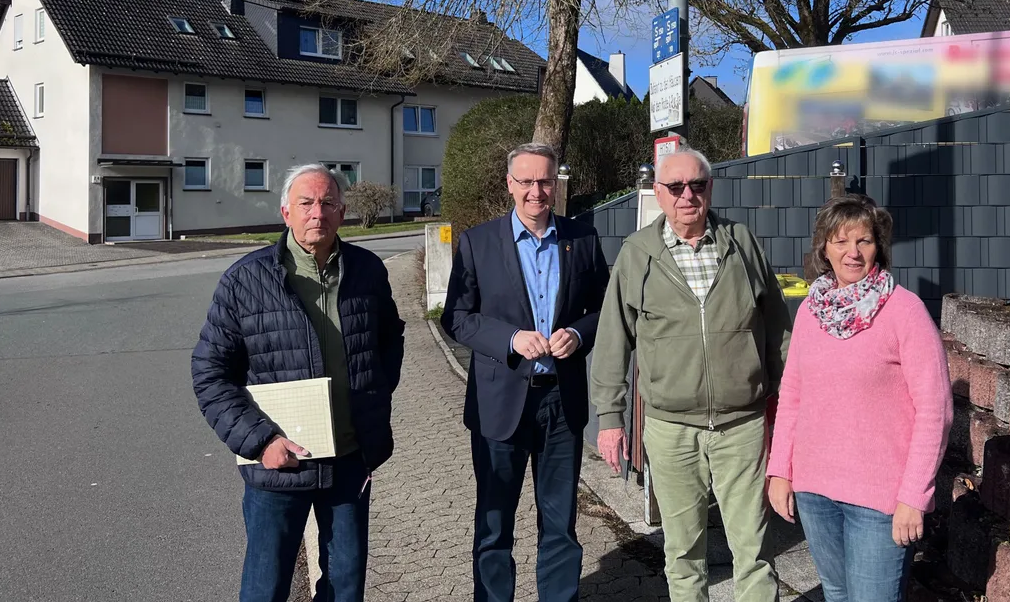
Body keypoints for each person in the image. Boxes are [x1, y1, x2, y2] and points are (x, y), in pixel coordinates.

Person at [192, 163, 405, 602]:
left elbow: (390, 340)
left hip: (349, 460)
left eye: (328, 203)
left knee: (345, 584)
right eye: (306, 203)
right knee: (265, 588)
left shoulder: (367, 270)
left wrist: (373, 401)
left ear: (342, 212)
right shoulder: (246, 280)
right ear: (285, 212)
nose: (317, 213)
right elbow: (210, 373)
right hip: (277, 464)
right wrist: (260, 441)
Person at [591, 146, 790, 602]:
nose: (687, 196)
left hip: (743, 425)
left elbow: (778, 327)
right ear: (658, 193)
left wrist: (785, 402)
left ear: (710, 189)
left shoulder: (741, 242)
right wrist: (609, 418)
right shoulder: (637, 254)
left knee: (755, 550)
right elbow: (612, 340)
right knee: (682, 554)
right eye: (675, 187)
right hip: (670, 428)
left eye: (696, 186)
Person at [441, 143, 611, 602]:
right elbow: (456, 317)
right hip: (500, 406)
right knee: (494, 524)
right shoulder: (478, 242)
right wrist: (510, 340)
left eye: (545, 181)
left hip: (561, 400)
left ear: (556, 184)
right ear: (510, 185)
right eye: (527, 182)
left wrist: (577, 335)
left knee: (560, 524)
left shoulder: (584, 238)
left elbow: (606, 309)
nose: (537, 191)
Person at [766, 194, 952, 602]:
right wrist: (780, 470)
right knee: (836, 593)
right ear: (824, 250)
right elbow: (793, 395)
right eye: (841, 242)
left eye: (864, 241)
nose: (853, 252)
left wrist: (913, 497)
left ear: (878, 248)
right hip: (816, 492)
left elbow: (934, 411)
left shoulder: (906, 311)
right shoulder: (812, 313)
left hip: (880, 501)